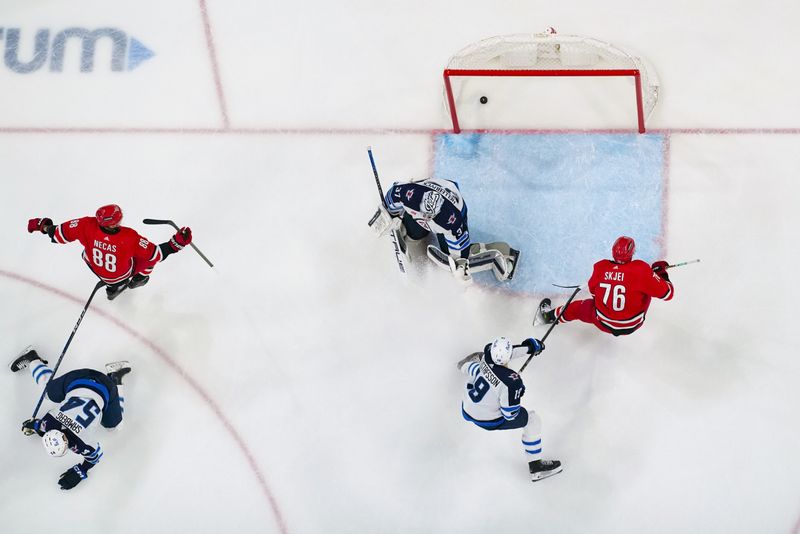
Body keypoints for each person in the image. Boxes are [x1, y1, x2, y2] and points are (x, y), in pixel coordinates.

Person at [9, 346, 131, 491]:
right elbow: (38, 425)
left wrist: (82, 471)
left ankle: (115, 378)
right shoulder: (49, 422)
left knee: (115, 427)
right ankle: (32, 359)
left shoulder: (82, 443)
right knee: (48, 393)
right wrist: (31, 426)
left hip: (104, 385)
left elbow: (96, 455)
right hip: (79, 377)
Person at [27, 204, 192, 300]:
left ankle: (113, 286)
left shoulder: (85, 225)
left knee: (86, 253)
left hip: (95, 267)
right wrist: (176, 243)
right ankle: (136, 280)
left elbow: (58, 234)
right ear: (113, 224)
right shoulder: (129, 237)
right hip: (120, 274)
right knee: (149, 259)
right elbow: (157, 254)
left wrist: (43, 225)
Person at [369, 177, 519, 282]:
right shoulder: (406, 194)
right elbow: (391, 198)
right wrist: (388, 215)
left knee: (455, 260)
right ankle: (414, 228)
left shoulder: (451, 221)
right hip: (431, 187)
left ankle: (496, 255)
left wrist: (460, 267)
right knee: (411, 233)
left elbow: (460, 256)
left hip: (454, 204)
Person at [458, 336, 562, 482]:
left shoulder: (488, 353)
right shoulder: (511, 382)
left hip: (467, 409)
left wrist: (529, 348)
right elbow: (510, 415)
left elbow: (509, 353)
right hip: (487, 421)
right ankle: (536, 466)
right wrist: (516, 394)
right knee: (532, 420)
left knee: (481, 367)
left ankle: (464, 366)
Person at [536, 236, 674, 336]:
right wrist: (659, 273)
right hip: (633, 324)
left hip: (603, 322)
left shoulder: (600, 267)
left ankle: (547, 317)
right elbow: (668, 294)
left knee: (577, 308)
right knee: (646, 287)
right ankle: (652, 282)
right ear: (632, 252)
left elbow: (594, 293)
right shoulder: (641, 269)